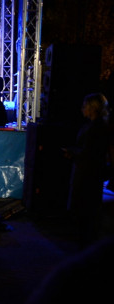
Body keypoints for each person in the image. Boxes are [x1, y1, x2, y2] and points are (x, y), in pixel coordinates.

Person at [64, 93, 110, 246]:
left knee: (85, 205)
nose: (82, 109)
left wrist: (73, 152)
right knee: (86, 205)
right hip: (88, 170)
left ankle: (85, 240)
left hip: (88, 171)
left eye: (85, 106)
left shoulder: (97, 127)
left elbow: (90, 151)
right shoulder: (95, 125)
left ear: (92, 108)